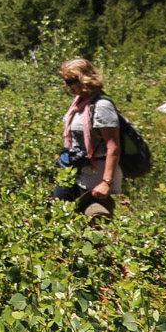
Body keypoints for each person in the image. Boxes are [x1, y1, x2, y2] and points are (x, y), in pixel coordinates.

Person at [56, 58, 122, 220]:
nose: (66, 85)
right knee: (59, 215)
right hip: (75, 169)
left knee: (94, 221)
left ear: (84, 79)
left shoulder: (101, 106)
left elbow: (113, 146)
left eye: (70, 81)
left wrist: (106, 182)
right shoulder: (80, 101)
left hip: (96, 174)